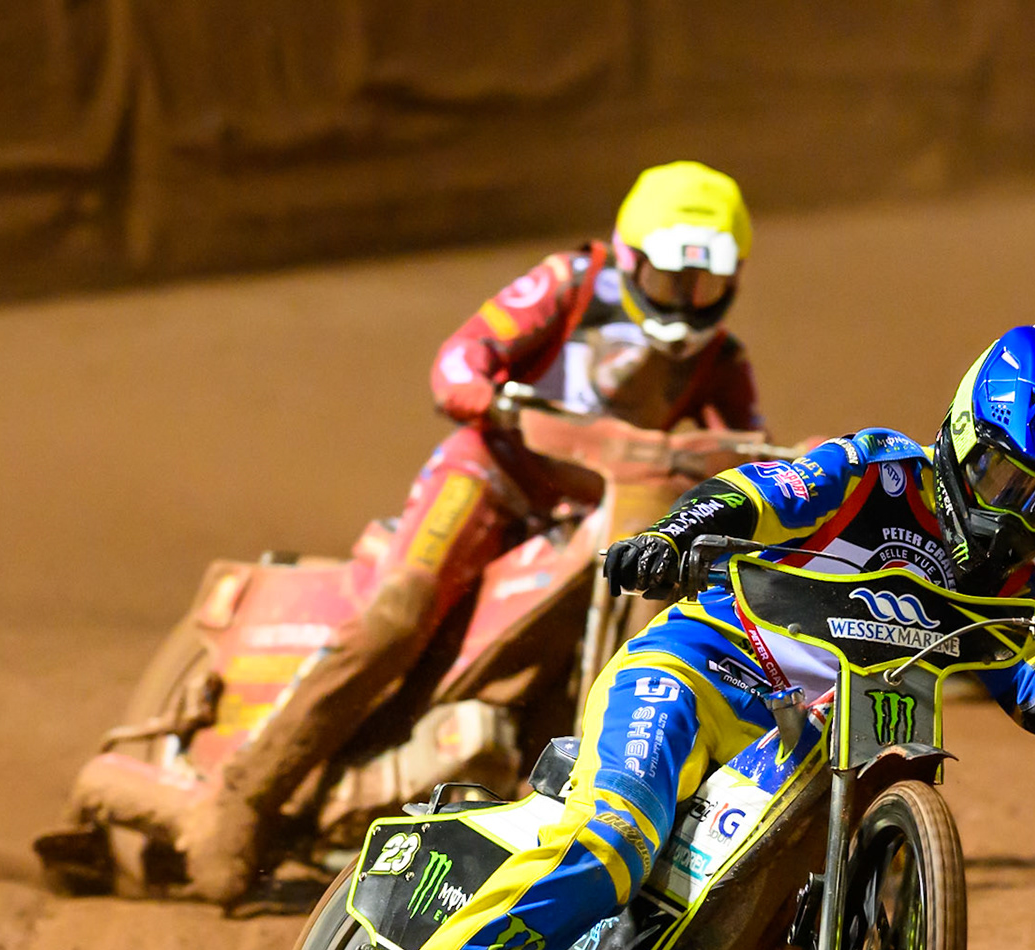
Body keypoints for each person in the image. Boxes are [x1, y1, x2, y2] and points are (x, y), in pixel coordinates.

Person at [307, 325, 1035, 950]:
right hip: (696, 678)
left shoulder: (1013, 588)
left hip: (811, 746)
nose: (1013, 521)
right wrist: (673, 537)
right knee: (609, 845)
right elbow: (753, 495)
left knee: (846, 885)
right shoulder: (875, 473)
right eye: (1005, 482)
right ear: (963, 438)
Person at [177, 161, 761, 905]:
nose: (684, 301)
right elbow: (461, 356)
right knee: (399, 616)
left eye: (704, 284)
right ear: (629, 257)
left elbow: (751, 451)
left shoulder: (722, 358)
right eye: (671, 278)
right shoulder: (569, 282)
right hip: (492, 473)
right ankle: (241, 796)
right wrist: (490, 397)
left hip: (590, 516)